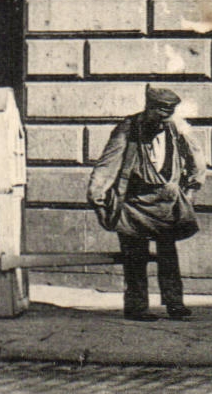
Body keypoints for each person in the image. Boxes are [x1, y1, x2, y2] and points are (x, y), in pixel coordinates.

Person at [87, 85, 204, 321]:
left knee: (168, 256)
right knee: (135, 257)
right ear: (148, 108)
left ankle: (175, 305)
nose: (161, 124)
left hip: (166, 204)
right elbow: (107, 164)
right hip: (134, 204)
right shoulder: (127, 129)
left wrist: (192, 188)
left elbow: (197, 158)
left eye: (166, 118)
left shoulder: (176, 128)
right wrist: (97, 197)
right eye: (158, 117)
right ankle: (137, 307)